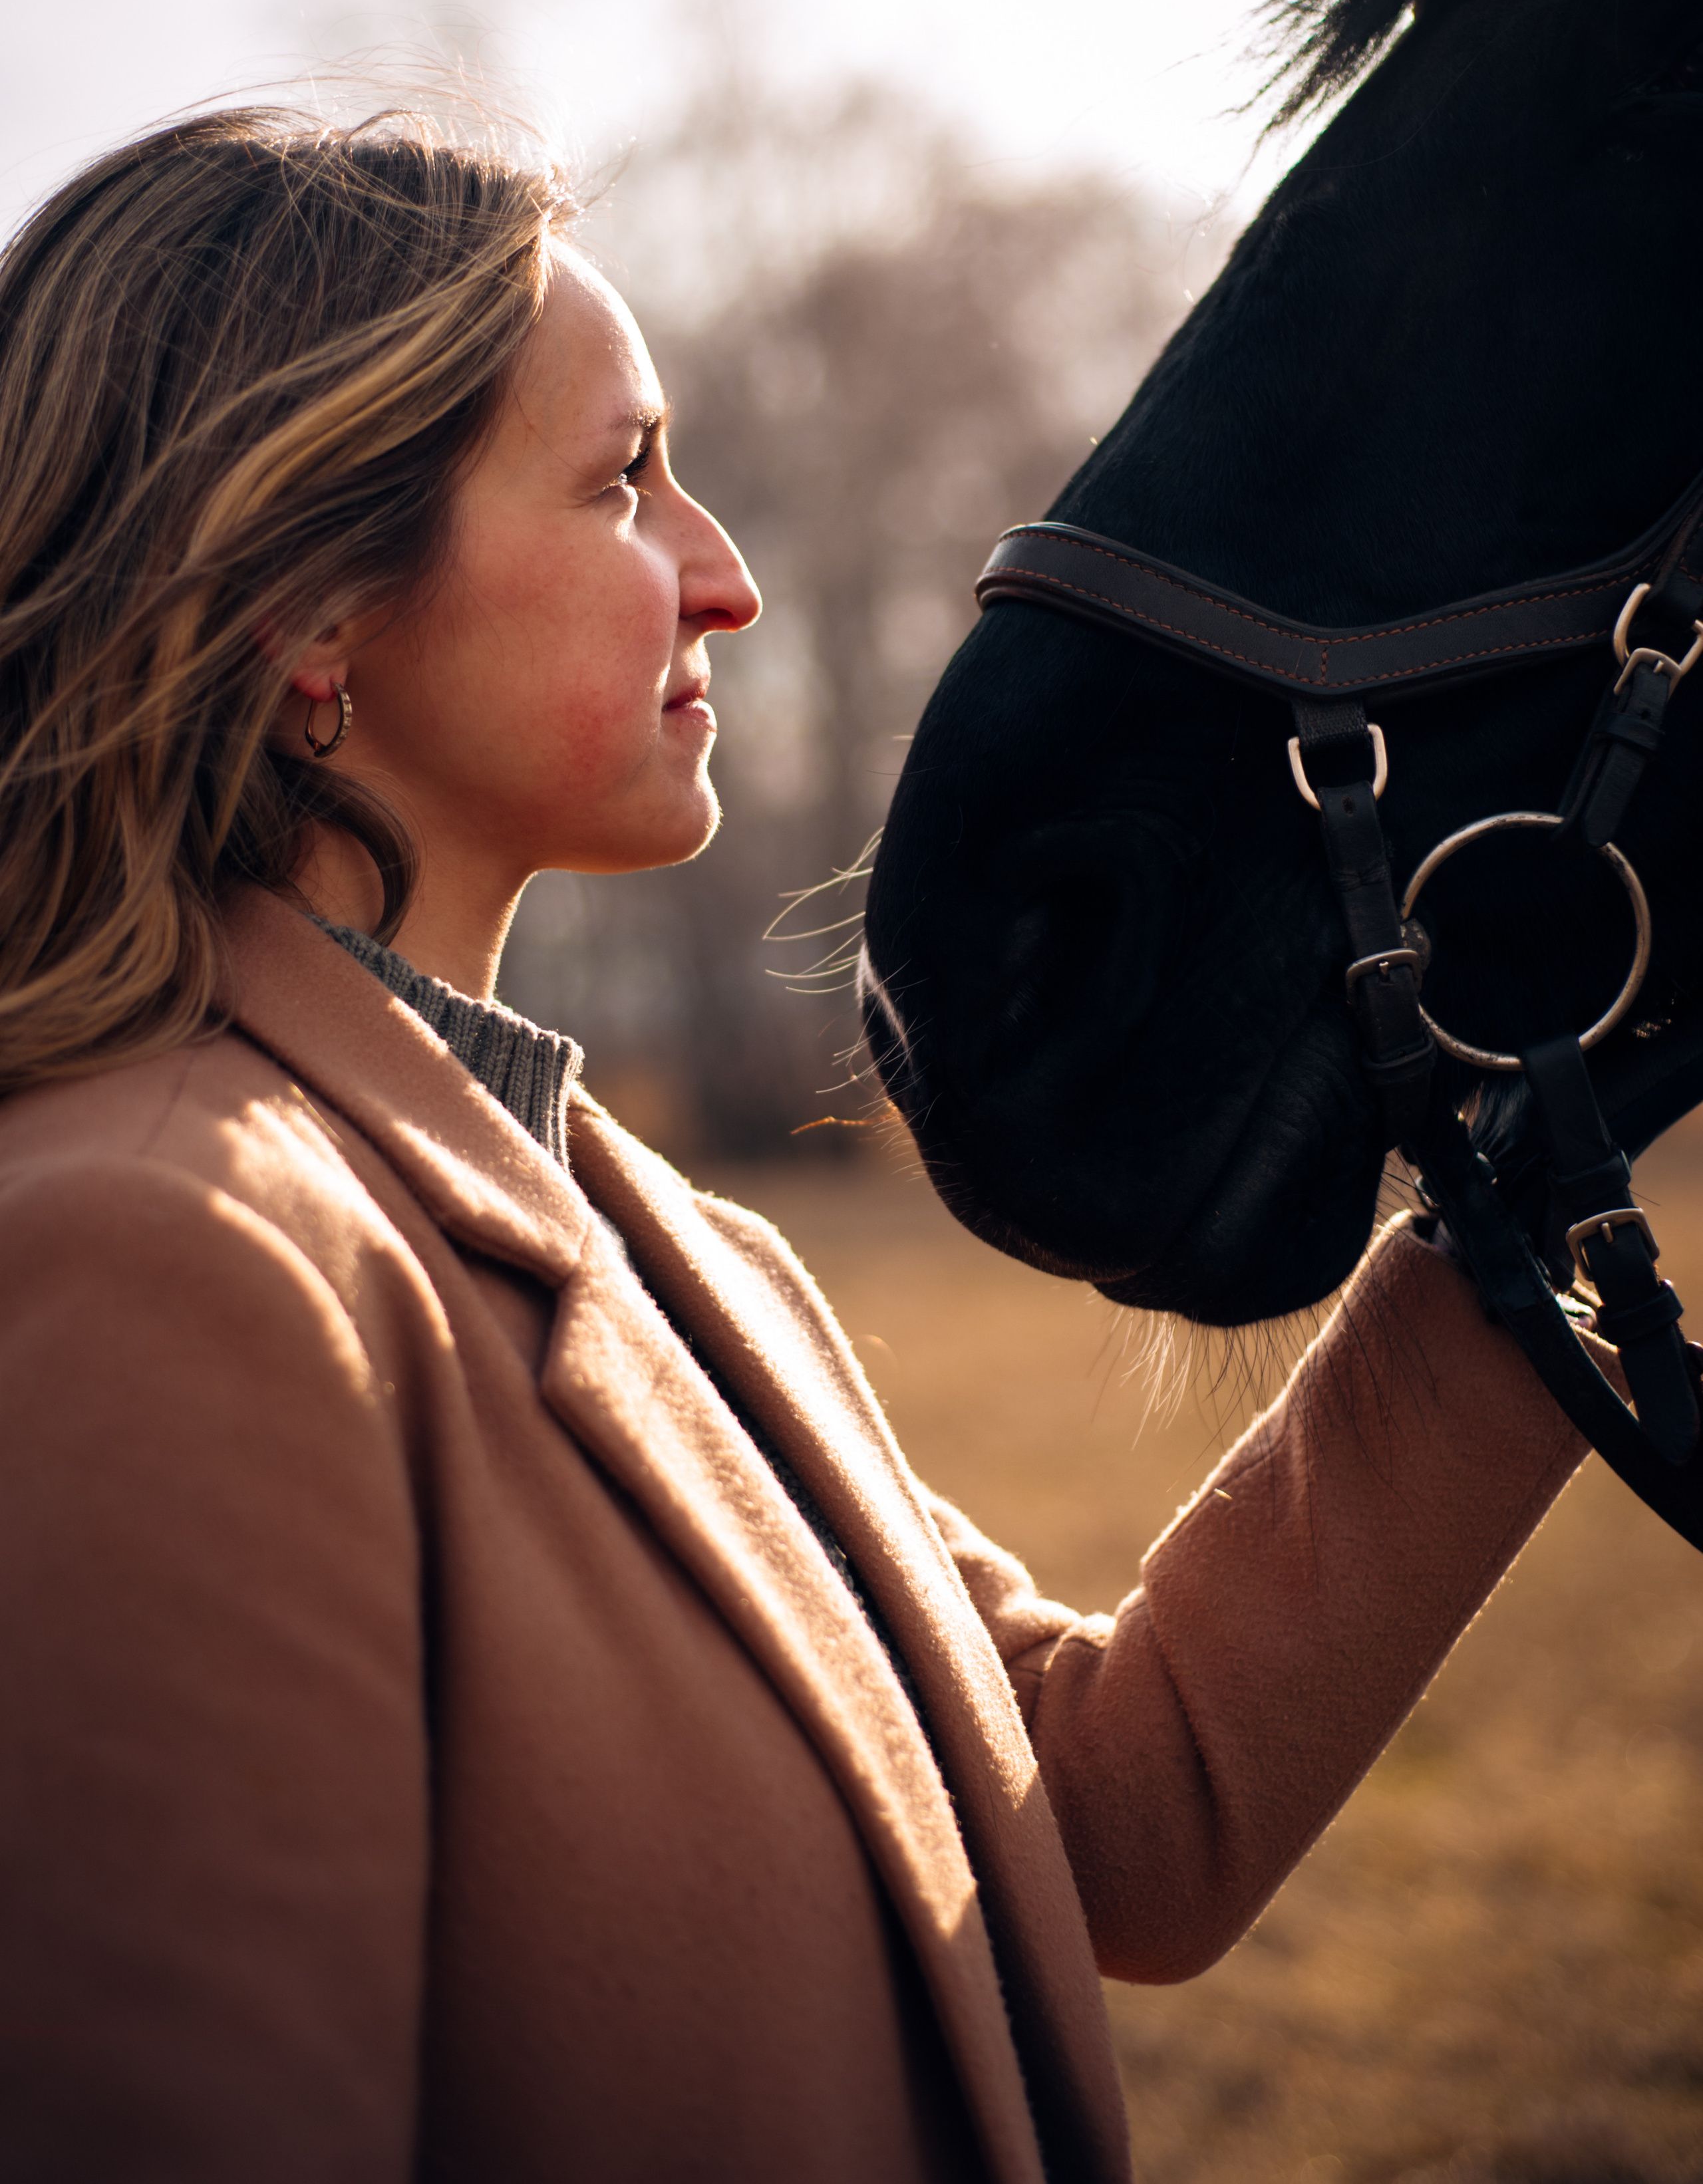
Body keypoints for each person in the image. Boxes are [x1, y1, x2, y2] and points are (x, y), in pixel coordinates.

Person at [0, 107, 1595, 2184]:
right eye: (623, 481)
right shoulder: (166, 1260)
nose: (727, 578)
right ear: (308, 610)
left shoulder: (659, 1237)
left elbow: (1112, 1815)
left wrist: (1534, 1165)